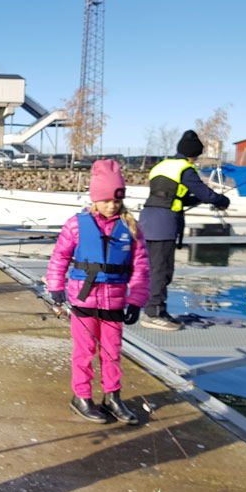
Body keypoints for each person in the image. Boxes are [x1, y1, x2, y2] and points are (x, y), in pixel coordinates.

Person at [45, 159, 151, 425]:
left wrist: (136, 300)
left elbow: (141, 267)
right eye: (105, 200)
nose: (111, 205)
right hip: (83, 300)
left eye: (116, 201)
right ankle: (81, 397)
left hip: (114, 304)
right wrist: (56, 287)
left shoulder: (131, 227)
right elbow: (59, 257)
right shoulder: (75, 225)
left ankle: (112, 396)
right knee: (84, 351)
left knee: (112, 352)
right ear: (95, 199)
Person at [138, 130, 230, 331]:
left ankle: (157, 309)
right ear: (195, 154)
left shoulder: (162, 166)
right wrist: (223, 200)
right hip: (163, 224)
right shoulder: (185, 169)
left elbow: (171, 195)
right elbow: (207, 194)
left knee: (155, 268)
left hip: (147, 220)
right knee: (162, 270)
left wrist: (199, 198)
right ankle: (153, 312)